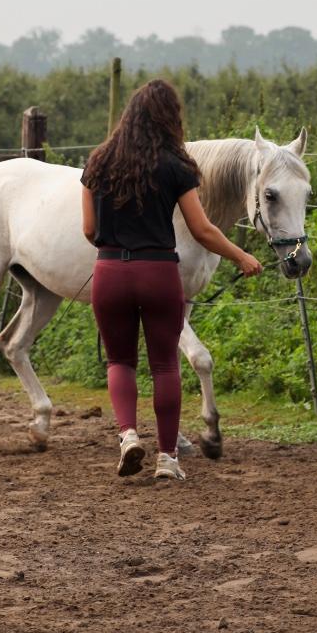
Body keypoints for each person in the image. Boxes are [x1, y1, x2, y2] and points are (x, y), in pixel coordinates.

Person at [81, 79, 262, 482]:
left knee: (120, 361)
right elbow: (202, 229)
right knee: (164, 366)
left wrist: (114, 245)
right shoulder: (178, 166)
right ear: (170, 118)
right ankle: (167, 459)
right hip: (159, 272)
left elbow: (89, 229)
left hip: (110, 272)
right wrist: (242, 255)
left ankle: (128, 435)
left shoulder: (97, 163)